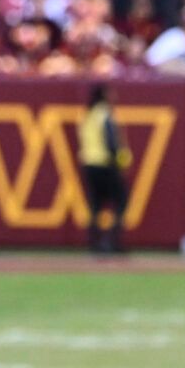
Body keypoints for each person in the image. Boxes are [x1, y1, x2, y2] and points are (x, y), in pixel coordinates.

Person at [77, 85, 129, 255]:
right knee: (120, 201)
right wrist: (119, 161)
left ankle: (94, 243)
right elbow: (111, 141)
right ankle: (111, 241)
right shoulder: (104, 114)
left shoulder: (88, 115)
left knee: (96, 206)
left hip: (89, 164)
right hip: (105, 164)